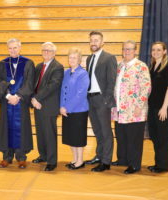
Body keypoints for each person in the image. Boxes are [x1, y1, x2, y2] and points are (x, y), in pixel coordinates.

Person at [111, 40, 151, 174]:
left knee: (134, 138)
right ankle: (122, 159)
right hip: (120, 110)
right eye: (124, 49)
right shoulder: (119, 65)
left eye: (129, 49)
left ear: (135, 51)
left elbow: (146, 87)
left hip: (135, 110)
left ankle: (134, 164)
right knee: (121, 135)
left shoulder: (141, 66)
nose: (126, 52)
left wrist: (140, 105)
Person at [0, 38, 35, 169]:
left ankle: (21, 157)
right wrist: (7, 95)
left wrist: (17, 96)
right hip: (7, 102)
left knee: (21, 128)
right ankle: (7, 157)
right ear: (7, 49)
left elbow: (30, 83)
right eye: (10, 48)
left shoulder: (28, 63)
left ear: (20, 47)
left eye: (15, 48)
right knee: (6, 127)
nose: (12, 50)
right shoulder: (2, 64)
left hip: (20, 101)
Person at [85, 31, 117, 172]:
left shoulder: (109, 58)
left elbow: (111, 81)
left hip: (102, 99)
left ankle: (106, 161)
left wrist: (106, 100)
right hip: (91, 99)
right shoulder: (89, 59)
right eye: (92, 40)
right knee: (97, 130)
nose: (94, 42)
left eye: (96, 40)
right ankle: (99, 155)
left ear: (102, 42)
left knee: (105, 131)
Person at [31, 42, 64, 171]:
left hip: (49, 106)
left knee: (50, 134)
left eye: (49, 51)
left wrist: (37, 98)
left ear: (54, 53)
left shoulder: (58, 67)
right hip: (37, 105)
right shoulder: (39, 66)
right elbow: (34, 84)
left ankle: (51, 161)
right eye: (44, 50)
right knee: (40, 132)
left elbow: (52, 86)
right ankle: (43, 155)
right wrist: (33, 99)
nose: (46, 52)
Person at [147, 41, 168, 173]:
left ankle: (163, 166)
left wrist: (164, 108)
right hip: (152, 107)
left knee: (163, 137)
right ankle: (157, 162)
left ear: (164, 51)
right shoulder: (152, 66)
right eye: (154, 50)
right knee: (154, 135)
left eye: (159, 50)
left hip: (162, 108)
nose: (156, 52)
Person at [60, 47, 89, 170]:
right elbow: (62, 91)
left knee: (78, 137)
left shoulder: (83, 74)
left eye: (74, 58)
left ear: (79, 60)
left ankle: (80, 161)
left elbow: (80, 94)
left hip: (78, 111)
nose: (71, 59)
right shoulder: (66, 73)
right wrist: (61, 106)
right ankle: (74, 159)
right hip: (65, 110)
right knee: (70, 136)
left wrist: (67, 108)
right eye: (70, 57)